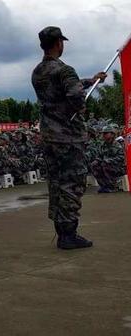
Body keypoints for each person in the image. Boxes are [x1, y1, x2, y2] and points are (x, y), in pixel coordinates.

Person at [32, 26, 107, 250]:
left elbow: (60, 87)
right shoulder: (65, 70)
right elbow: (74, 94)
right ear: (59, 44)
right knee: (72, 184)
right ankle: (68, 234)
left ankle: (61, 229)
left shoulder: (38, 71)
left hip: (49, 135)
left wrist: (91, 80)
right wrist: (80, 106)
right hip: (68, 137)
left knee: (56, 183)